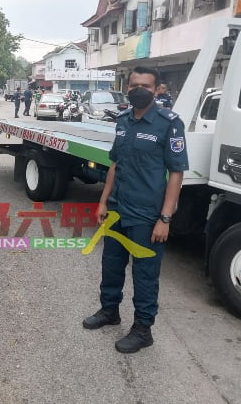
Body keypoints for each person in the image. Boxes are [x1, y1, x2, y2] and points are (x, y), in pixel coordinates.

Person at [82, 66, 189, 353]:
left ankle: (143, 329)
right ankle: (109, 311)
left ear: (157, 90)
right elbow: (115, 164)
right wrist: (104, 201)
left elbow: (177, 172)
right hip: (118, 209)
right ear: (127, 88)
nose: (138, 90)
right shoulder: (123, 120)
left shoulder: (169, 123)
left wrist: (165, 217)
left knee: (145, 274)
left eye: (145, 85)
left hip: (147, 214)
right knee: (112, 265)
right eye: (133, 85)